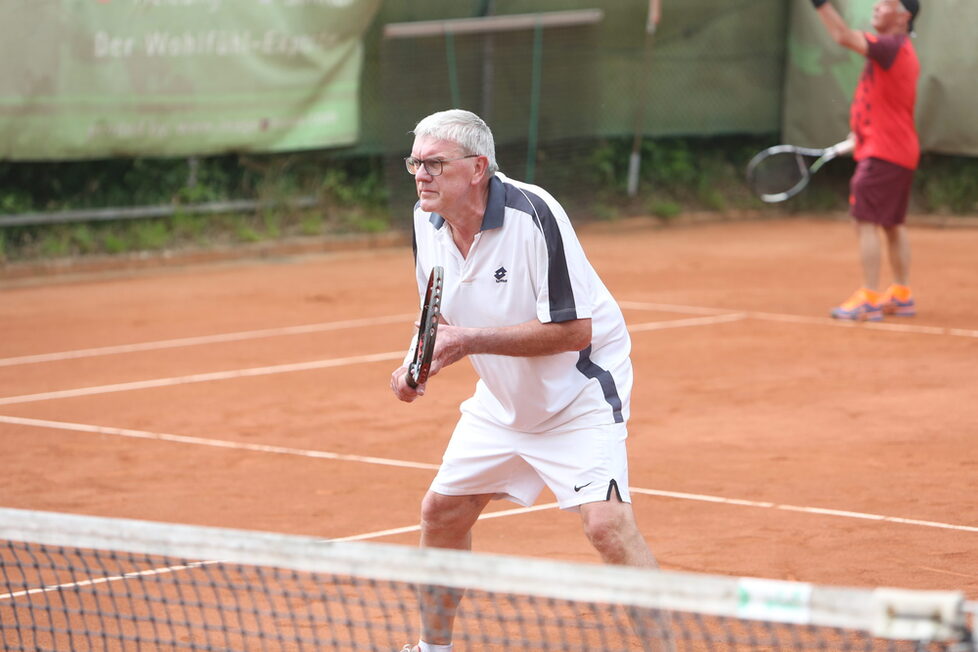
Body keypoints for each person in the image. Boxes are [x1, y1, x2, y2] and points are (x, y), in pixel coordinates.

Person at [390, 109, 660, 652]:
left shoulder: (535, 216)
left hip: (578, 393)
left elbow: (574, 330)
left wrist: (466, 342)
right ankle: (431, 649)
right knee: (441, 513)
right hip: (503, 399)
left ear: (477, 168)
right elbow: (440, 316)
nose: (423, 175)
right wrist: (417, 361)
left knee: (607, 527)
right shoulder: (426, 219)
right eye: (416, 162)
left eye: (436, 163)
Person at [811, 0, 921, 321]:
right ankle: (901, 293)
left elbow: (843, 36)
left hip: (885, 153)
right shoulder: (901, 52)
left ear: (904, 16)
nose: (876, 6)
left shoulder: (889, 47)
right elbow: (888, 106)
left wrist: (820, 4)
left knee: (865, 220)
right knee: (891, 224)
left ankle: (869, 297)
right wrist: (859, 136)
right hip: (897, 149)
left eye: (886, 3)